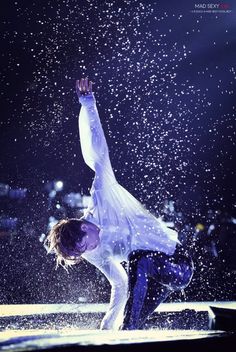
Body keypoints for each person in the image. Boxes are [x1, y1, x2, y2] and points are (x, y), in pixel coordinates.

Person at [45, 78, 194, 330]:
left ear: (84, 226)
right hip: (150, 282)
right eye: (85, 250)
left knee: (138, 260)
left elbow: (98, 153)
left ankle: (131, 328)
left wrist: (88, 105)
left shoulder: (103, 194)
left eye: (87, 243)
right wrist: (107, 324)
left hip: (177, 265)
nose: (93, 247)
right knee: (133, 321)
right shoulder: (92, 253)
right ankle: (163, 325)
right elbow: (119, 284)